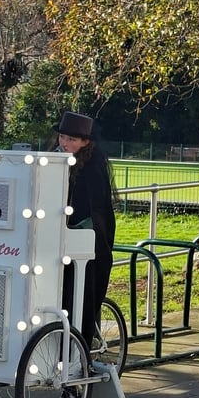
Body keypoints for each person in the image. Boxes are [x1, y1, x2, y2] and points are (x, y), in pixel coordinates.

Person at [56, 110, 117, 349]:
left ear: (85, 142)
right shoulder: (54, 159)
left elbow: (93, 208)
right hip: (61, 238)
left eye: (71, 139)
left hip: (87, 240)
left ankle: (82, 345)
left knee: (81, 293)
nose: (64, 143)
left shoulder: (92, 166)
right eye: (62, 138)